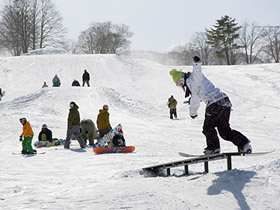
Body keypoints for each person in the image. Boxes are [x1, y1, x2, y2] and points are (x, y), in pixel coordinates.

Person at [169, 56, 252, 155]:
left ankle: (213, 148)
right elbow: (195, 100)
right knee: (224, 131)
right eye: (178, 85)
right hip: (225, 102)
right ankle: (244, 145)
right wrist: (193, 112)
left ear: (183, 77)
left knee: (208, 128)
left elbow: (197, 71)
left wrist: (196, 63)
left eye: (180, 83)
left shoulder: (193, 78)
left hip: (215, 104)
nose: (181, 85)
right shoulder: (192, 87)